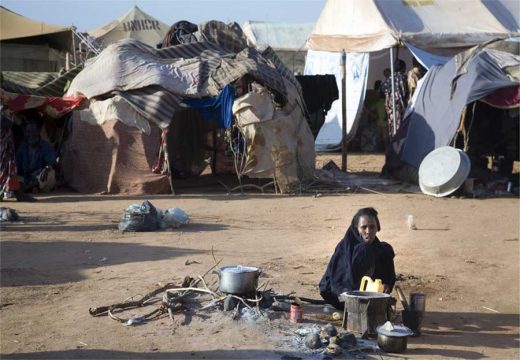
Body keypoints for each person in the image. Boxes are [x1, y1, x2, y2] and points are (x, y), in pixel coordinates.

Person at [319, 207, 396, 310]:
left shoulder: (379, 249)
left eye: (372, 227)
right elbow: (338, 283)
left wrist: (386, 285)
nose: (368, 231)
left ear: (378, 227)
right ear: (356, 228)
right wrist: (357, 298)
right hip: (340, 295)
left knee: (386, 249)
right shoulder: (345, 247)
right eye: (364, 227)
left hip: (368, 295)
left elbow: (386, 276)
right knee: (364, 249)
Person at [15, 119, 57, 193]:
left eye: (33, 131)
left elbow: (51, 161)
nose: (30, 135)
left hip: (39, 177)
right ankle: (31, 188)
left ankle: (29, 188)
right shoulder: (23, 146)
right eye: (28, 132)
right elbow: (16, 165)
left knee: (50, 174)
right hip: (25, 178)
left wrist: (46, 169)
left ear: (38, 132)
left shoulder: (45, 146)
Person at [381, 61, 407, 137]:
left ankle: (393, 141)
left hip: (389, 104)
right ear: (403, 68)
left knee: (392, 125)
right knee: (400, 125)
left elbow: (382, 89)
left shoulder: (388, 78)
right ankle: (398, 144)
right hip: (398, 103)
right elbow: (404, 91)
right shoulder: (402, 77)